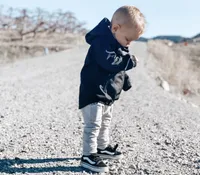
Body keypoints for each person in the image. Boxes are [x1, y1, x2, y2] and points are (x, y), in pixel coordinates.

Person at [78, 5, 146, 173]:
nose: (129, 43)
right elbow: (110, 62)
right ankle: (88, 155)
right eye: (128, 39)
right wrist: (130, 62)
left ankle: (101, 148)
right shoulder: (102, 42)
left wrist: (125, 81)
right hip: (94, 92)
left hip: (107, 93)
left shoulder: (116, 42)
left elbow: (117, 70)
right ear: (115, 28)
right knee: (93, 125)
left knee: (105, 123)